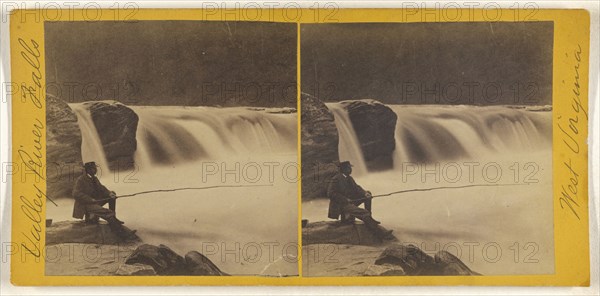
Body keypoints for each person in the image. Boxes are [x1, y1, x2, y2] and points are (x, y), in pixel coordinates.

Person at [327, 161, 393, 240]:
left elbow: (357, 188)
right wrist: (345, 199)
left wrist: (365, 193)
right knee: (363, 212)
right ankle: (379, 233)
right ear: (344, 169)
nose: (351, 169)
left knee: (368, 195)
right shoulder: (336, 179)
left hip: (350, 201)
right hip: (341, 205)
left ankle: (369, 217)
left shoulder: (349, 178)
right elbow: (331, 193)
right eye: (349, 167)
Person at [72, 162, 136, 240]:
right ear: (88, 170)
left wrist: (110, 193)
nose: (95, 170)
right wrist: (89, 199)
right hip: (85, 205)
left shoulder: (94, 178)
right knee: (107, 212)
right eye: (93, 168)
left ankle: (113, 218)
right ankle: (121, 234)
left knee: (112, 196)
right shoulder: (81, 180)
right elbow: (76, 194)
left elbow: (102, 188)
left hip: (94, 201)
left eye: (95, 168)